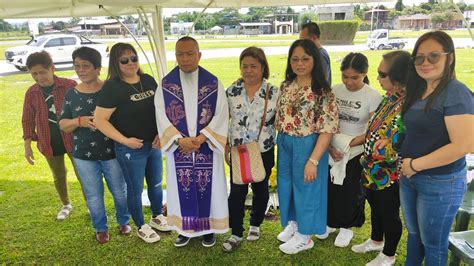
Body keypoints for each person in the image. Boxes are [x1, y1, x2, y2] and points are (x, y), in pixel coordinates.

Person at [399, 31, 473, 265]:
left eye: (433, 56)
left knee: (433, 244)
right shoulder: (418, 88)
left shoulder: (456, 92)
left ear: (449, 58)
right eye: (419, 58)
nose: (425, 63)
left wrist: (414, 165)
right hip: (410, 176)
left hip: (441, 181)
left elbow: (464, 145)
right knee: (414, 235)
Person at [155, 36, 229, 248]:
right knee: (181, 189)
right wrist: (179, 140)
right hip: (180, 148)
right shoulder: (166, 85)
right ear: (175, 55)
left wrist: (204, 136)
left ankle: (208, 229)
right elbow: (161, 115)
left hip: (205, 144)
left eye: (190, 53)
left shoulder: (213, 83)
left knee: (209, 187)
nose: (185, 58)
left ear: (199, 55)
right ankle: (184, 229)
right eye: (180, 54)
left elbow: (222, 113)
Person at [94, 43, 169, 244]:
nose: (130, 63)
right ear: (115, 63)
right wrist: (124, 140)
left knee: (155, 183)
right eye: (124, 60)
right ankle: (141, 225)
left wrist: (161, 134)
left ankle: (156, 216)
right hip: (130, 149)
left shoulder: (147, 80)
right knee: (135, 189)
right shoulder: (112, 87)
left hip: (153, 144)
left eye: (133, 58)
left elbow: (161, 109)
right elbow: (100, 120)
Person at [58, 47, 131, 244]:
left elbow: (126, 117)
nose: (80, 70)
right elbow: (63, 124)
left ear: (98, 68)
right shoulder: (71, 95)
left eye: (86, 66)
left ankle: (124, 221)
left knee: (119, 191)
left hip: (112, 152)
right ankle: (100, 228)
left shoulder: (111, 89)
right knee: (94, 196)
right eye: (77, 66)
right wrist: (78, 121)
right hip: (83, 156)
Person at [275, 39, 338, 255]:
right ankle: (294, 223)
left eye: (305, 59)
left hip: (308, 144)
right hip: (284, 142)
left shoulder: (322, 91)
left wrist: (314, 160)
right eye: (295, 59)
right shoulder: (286, 86)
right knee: (286, 185)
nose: (299, 63)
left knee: (307, 188)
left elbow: (327, 129)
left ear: (315, 60)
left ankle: (305, 235)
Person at [352, 50, 411, 266]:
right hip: (372, 166)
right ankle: (376, 240)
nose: (377, 78)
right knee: (375, 205)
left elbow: (406, 136)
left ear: (399, 76)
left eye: (382, 74)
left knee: (389, 212)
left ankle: (389, 254)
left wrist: (390, 144)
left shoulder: (409, 103)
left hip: (389, 171)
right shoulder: (390, 97)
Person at [321, 52, 382, 247]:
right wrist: (331, 146)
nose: (349, 82)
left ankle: (346, 227)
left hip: (356, 150)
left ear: (364, 74)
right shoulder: (335, 90)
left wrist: (349, 144)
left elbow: (374, 129)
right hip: (332, 147)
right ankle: (330, 222)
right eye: (345, 77)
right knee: (331, 187)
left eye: (354, 77)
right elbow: (327, 121)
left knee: (350, 190)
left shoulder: (372, 95)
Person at [222, 47, 279, 252]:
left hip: (263, 149)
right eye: (244, 66)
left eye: (254, 66)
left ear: (263, 67)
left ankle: (255, 224)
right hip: (239, 150)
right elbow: (224, 120)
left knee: (261, 190)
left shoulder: (274, 92)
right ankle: (236, 231)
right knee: (237, 191)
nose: (248, 70)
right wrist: (226, 146)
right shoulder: (231, 91)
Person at [21, 51, 85, 220]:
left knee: (84, 174)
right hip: (48, 141)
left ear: (52, 68)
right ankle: (66, 204)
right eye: (34, 73)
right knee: (58, 175)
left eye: (42, 72)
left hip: (74, 139)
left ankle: (92, 206)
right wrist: (27, 146)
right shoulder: (32, 92)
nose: (38, 77)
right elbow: (27, 119)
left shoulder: (70, 85)